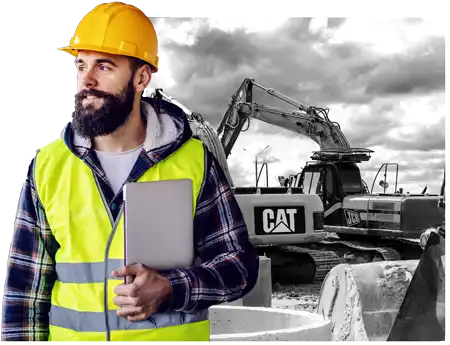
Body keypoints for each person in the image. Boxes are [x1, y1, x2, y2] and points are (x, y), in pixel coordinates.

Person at [1, 2, 259, 342]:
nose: (86, 81)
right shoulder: (48, 167)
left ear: (141, 78)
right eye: (81, 66)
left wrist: (171, 287)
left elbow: (240, 267)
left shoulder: (194, 162)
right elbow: (24, 296)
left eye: (104, 67)